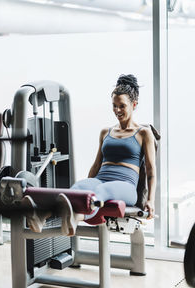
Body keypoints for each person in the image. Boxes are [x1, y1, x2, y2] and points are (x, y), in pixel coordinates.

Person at [22, 74, 156, 235]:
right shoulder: (106, 132)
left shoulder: (144, 133)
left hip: (126, 185)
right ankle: (41, 216)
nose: (117, 110)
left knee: (101, 191)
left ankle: (73, 218)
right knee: (77, 188)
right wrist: (85, 186)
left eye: (122, 106)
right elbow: (96, 165)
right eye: (114, 105)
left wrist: (150, 200)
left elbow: (151, 171)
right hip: (101, 179)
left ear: (133, 105)